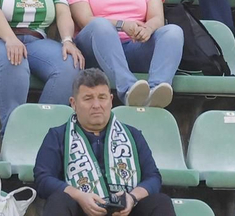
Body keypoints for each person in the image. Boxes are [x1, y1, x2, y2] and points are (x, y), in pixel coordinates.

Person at [33, 68, 174, 216]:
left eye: (102, 97)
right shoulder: (58, 136)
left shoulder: (132, 135)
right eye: (88, 98)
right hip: (82, 210)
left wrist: (132, 197)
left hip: (125, 211)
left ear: (111, 100)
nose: (96, 105)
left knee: (161, 201)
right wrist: (79, 195)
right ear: (73, 103)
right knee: (59, 200)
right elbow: (43, 179)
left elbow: (153, 177)